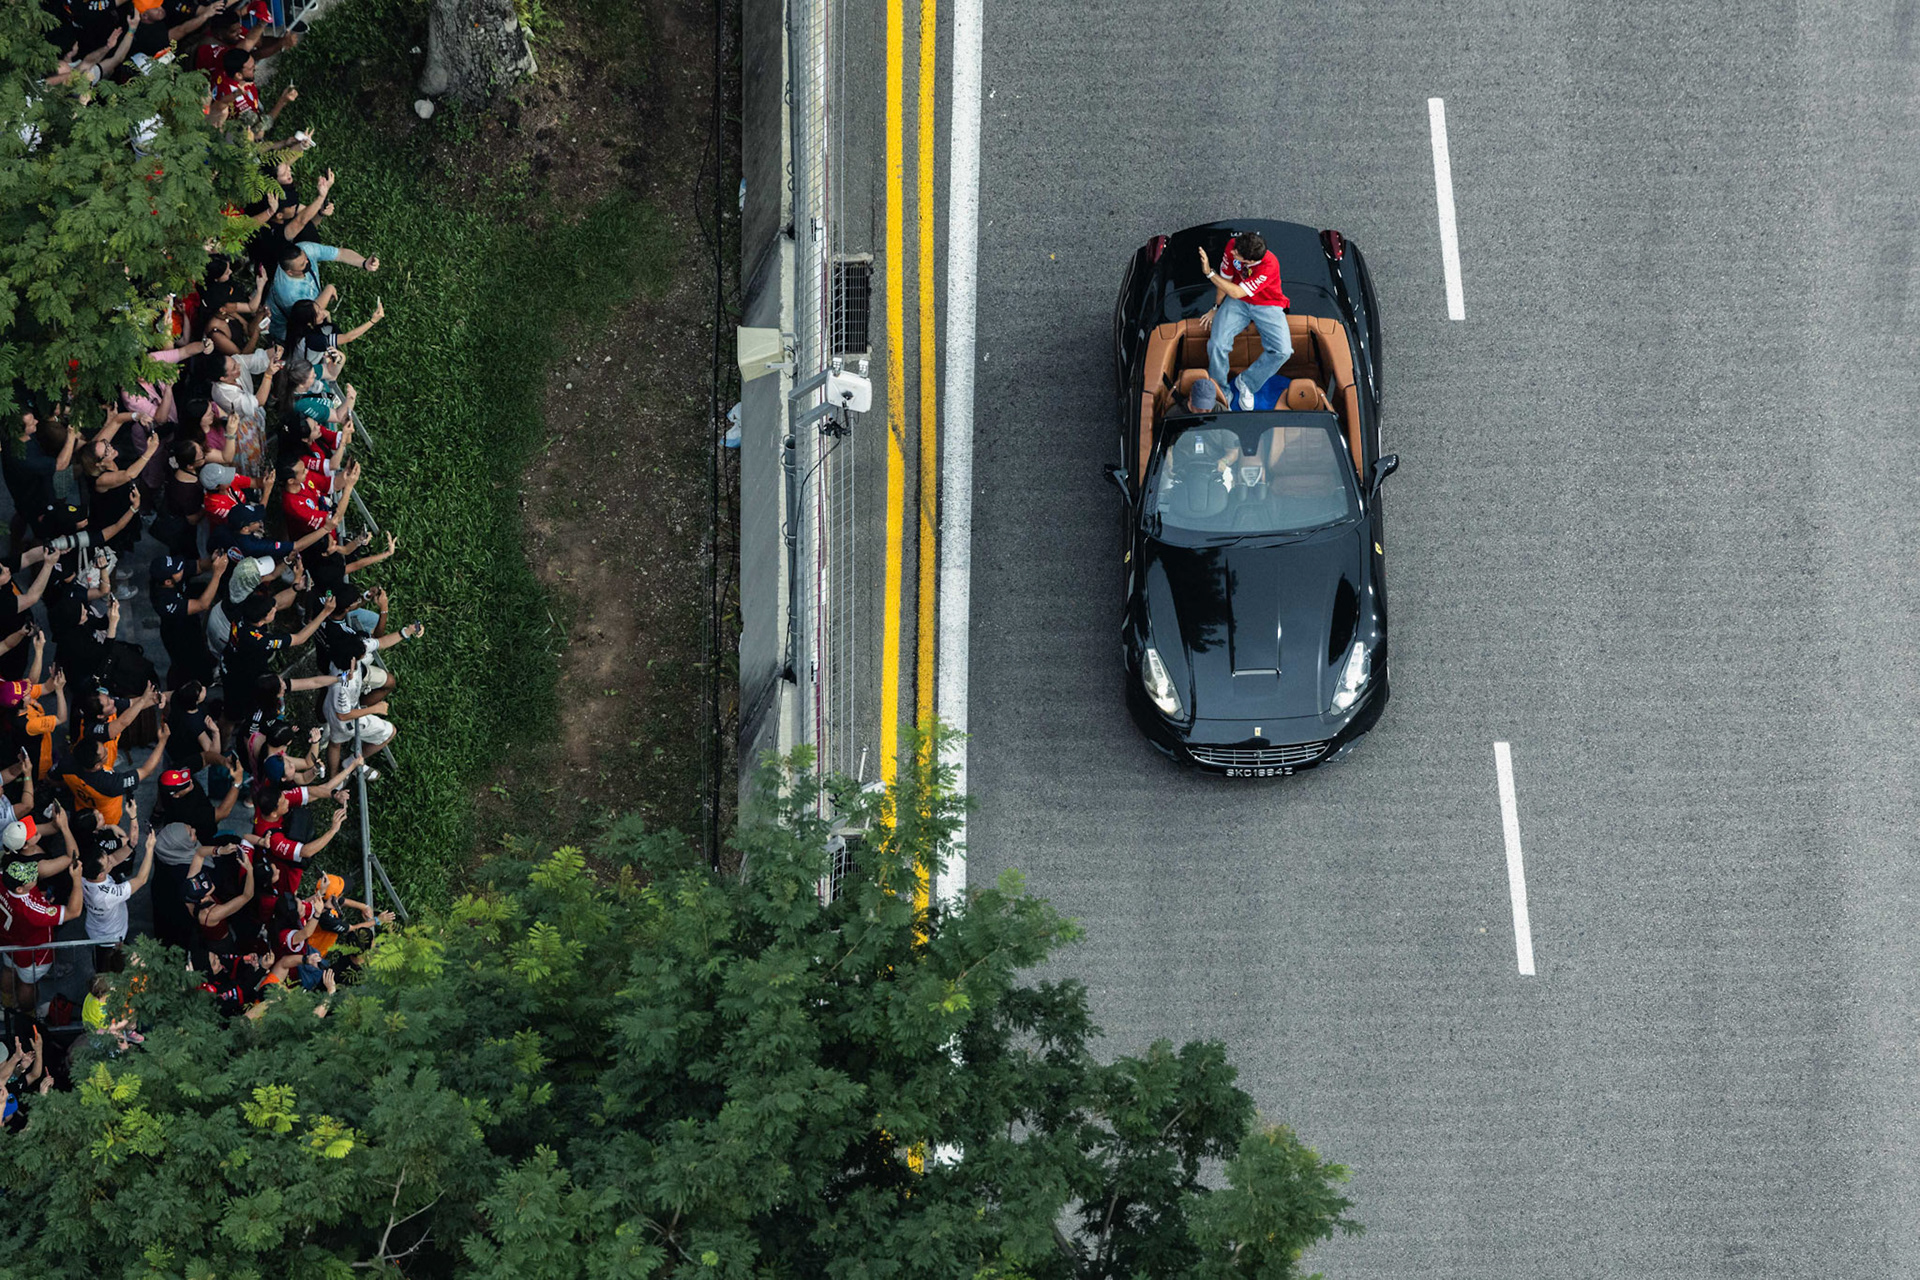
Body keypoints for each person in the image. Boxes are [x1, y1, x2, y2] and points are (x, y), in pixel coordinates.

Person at [0, 809, 82, 1019]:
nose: (34, 878)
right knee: (28, 982)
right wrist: (76, 880)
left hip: (8, 939)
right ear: (20, 888)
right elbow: (74, 912)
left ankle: (6, 1001)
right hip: (32, 951)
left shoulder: (4, 877)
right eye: (30, 878)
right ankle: (26, 1012)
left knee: (9, 969)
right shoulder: (32, 910)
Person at [1200, 232, 1292, 412]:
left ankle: (1247, 382)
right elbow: (1225, 281)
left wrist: (1209, 272)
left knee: (1283, 351)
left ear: (1249, 262)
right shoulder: (1233, 246)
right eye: (1234, 248)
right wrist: (1215, 308)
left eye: (1237, 254)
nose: (1232, 252)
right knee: (1217, 345)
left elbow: (1235, 292)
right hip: (1239, 303)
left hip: (1267, 304)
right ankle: (1221, 390)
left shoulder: (1269, 266)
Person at [266, 240, 379, 340]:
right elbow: (311, 314)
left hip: (309, 310)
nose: (307, 262)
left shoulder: (306, 248)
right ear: (290, 272)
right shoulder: (289, 293)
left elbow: (340, 254)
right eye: (302, 264)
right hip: (287, 327)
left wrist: (364, 263)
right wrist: (328, 290)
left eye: (305, 258)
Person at [83, 819, 154, 972]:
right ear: (102, 874)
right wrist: (149, 850)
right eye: (106, 861)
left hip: (96, 929)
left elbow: (114, 860)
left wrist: (130, 846)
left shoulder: (84, 875)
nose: (110, 859)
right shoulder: (107, 895)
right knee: (112, 968)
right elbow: (141, 880)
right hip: (112, 938)